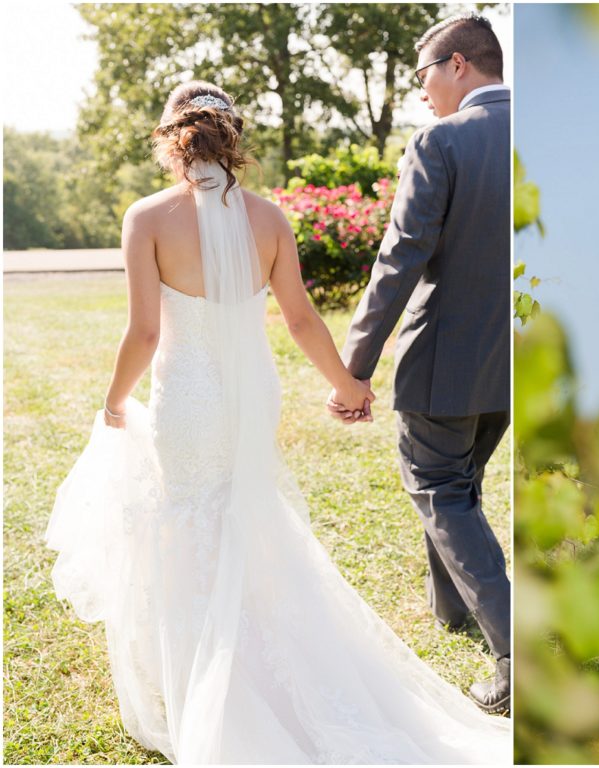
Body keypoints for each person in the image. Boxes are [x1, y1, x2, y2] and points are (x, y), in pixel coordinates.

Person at [45, 80, 509, 764]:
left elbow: (144, 333)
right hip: (252, 392)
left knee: (192, 519)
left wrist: (115, 402)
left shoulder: (147, 217)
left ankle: (215, 680)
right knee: (243, 515)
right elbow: (298, 319)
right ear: (233, 140)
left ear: (170, 142)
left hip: (190, 397)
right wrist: (347, 384)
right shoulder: (269, 219)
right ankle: (263, 660)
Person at [328, 13, 511, 714]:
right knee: (460, 484)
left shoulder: (444, 138)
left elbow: (400, 256)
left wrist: (355, 366)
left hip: (445, 361)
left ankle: (513, 653)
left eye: (422, 74)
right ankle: (452, 609)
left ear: (459, 64)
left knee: (440, 486)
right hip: (512, 364)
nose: (421, 91)